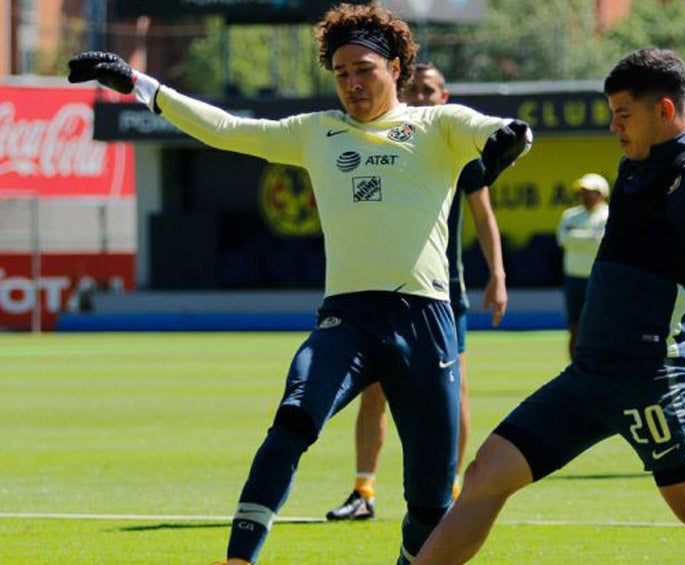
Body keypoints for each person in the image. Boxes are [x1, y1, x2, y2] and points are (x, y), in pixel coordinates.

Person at [67, 4, 532, 564]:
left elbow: (504, 131)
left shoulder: (438, 125)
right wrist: (140, 84)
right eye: (341, 74)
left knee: (430, 504)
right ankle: (239, 558)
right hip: (346, 322)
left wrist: (510, 139)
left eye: (364, 69)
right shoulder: (318, 131)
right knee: (292, 422)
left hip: (424, 322)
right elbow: (227, 128)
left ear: (396, 67)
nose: (352, 84)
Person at [413, 47, 685, 565]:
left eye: (622, 114)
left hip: (652, 377)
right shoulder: (637, 162)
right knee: (484, 477)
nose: (614, 126)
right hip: (588, 377)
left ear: (665, 111)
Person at [326, 61, 508, 521]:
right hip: (382, 291)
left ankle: (447, 489)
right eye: (415, 89)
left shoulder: (455, 145)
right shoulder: (384, 139)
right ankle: (363, 491)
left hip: (444, 293)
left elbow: (484, 215)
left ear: (444, 96)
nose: (422, 96)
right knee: (374, 393)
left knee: (454, 392)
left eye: (430, 89)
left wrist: (498, 275)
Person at [556, 173, 609, 359]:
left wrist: (575, 235)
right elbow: (562, 239)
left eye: (589, 192)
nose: (584, 196)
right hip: (573, 278)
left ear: (601, 193)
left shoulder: (608, 215)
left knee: (598, 325)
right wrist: (588, 235)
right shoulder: (570, 214)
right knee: (574, 327)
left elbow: (599, 241)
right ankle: (575, 367)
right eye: (582, 192)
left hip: (598, 279)